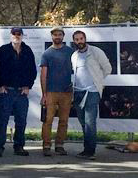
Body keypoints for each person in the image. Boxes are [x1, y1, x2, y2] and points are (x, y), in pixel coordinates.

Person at [0, 27, 37, 157]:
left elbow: (32, 71)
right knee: (2, 121)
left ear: (22, 35)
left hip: (22, 93)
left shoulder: (27, 51)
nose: (16, 36)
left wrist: (28, 86)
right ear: (10, 35)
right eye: (14, 34)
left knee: (21, 121)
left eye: (19, 34)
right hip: (6, 92)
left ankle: (19, 146)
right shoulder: (3, 50)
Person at [70, 29, 113, 158]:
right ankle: (86, 149)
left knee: (90, 121)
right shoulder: (74, 55)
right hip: (78, 92)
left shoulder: (95, 51)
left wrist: (97, 82)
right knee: (83, 121)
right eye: (77, 39)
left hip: (92, 92)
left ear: (85, 39)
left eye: (81, 38)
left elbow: (107, 69)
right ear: (74, 41)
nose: (79, 41)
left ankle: (90, 151)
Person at [38, 27, 74, 156]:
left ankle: (59, 145)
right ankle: (46, 145)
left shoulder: (70, 52)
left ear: (63, 36)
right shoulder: (47, 54)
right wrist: (44, 94)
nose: (57, 37)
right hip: (51, 92)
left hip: (66, 92)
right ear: (51, 36)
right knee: (48, 120)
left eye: (59, 34)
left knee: (64, 121)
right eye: (55, 35)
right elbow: (43, 75)